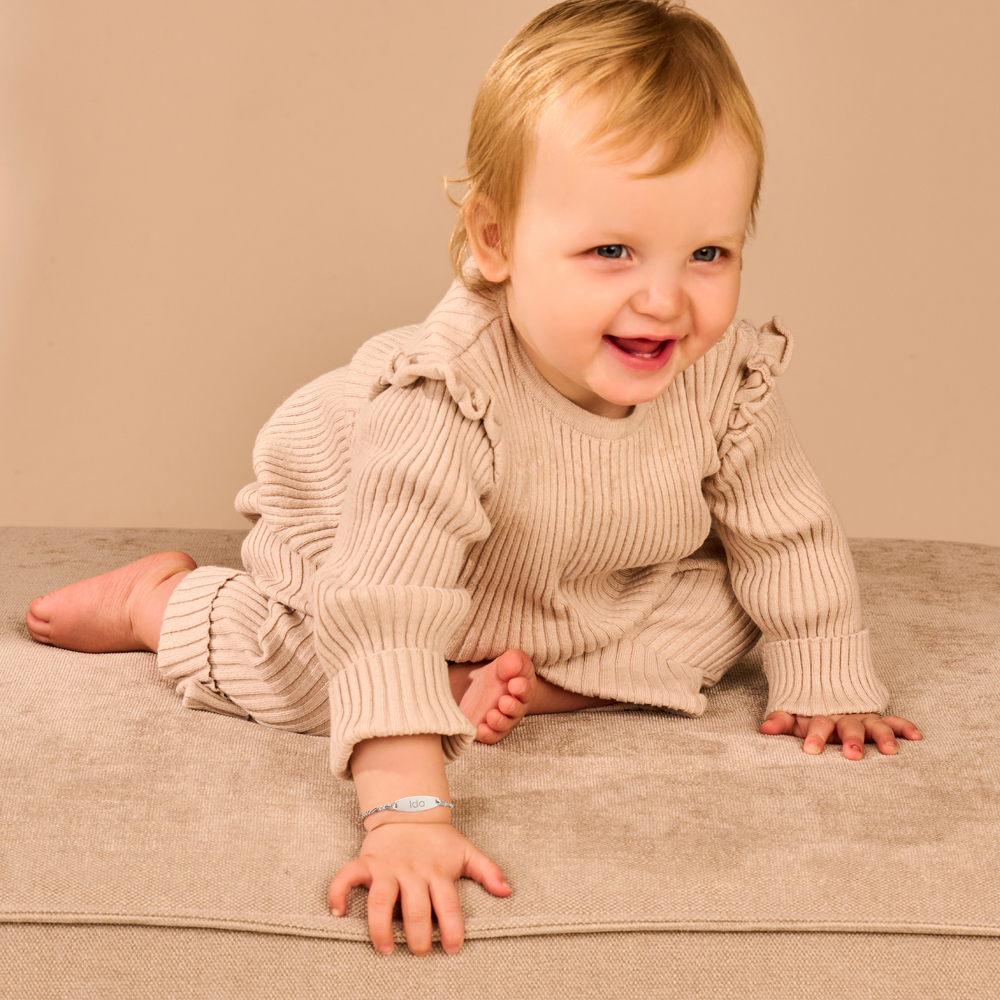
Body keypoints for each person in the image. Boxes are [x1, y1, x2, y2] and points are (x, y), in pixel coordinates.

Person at [25, 0, 922, 958]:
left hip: (569, 575)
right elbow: (384, 603)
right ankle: (161, 604)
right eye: (611, 250)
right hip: (361, 550)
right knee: (327, 668)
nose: (664, 299)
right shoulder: (447, 398)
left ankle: (502, 680)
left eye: (709, 253)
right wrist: (408, 815)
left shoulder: (724, 380)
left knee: (731, 608)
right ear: (494, 241)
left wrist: (830, 680)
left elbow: (785, 532)